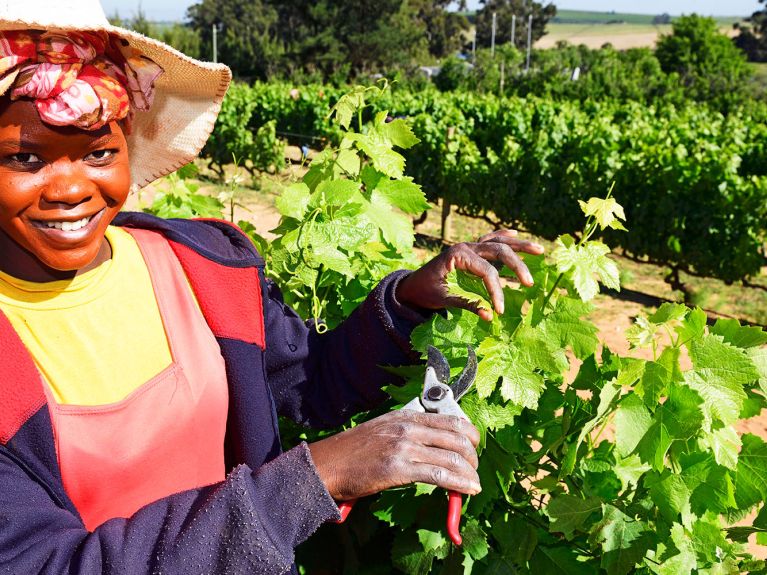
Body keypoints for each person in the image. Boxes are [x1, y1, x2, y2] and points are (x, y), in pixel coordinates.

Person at [0, 1, 544, 573]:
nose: (69, 189)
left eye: (98, 152)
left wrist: (408, 300)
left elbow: (309, 384)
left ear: (128, 145)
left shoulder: (203, 267)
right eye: (24, 158)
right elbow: (47, 564)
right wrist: (310, 481)